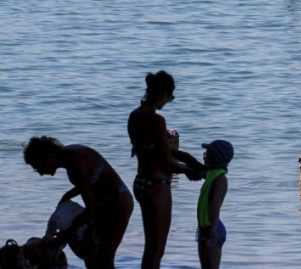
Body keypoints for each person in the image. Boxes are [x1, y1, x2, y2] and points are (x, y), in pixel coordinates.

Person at [127, 71, 204, 269]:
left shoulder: (134, 116)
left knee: (150, 246)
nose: (170, 100)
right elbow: (166, 162)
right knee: (156, 249)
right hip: (157, 186)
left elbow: (158, 152)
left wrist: (191, 161)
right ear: (163, 93)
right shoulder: (157, 120)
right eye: (170, 96)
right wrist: (190, 171)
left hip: (141, 183)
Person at [22, 137, 133, 269]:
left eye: (37, 166)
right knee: (93, 256)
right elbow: (90, 183)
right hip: (109, 204)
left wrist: (66, 234)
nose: (39, 173)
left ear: (45, 156)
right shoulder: (71, 154)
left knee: (104, 258)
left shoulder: (75, 162)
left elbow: (92, 209)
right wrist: (67, 196)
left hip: (117, 206)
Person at [196, 140, 232, 269]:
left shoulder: (220, 179)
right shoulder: (211, 173)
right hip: (205, 228)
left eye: (208, 153)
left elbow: (214, 206)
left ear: (216, 158)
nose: (204, 155)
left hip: (212, 228)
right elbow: (193, 168)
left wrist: (211, 233)